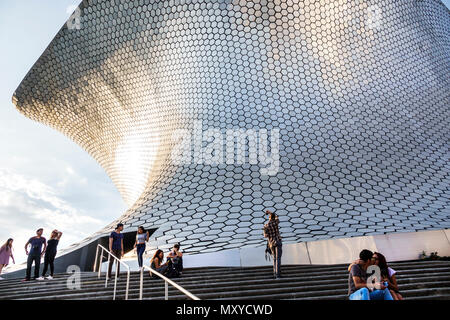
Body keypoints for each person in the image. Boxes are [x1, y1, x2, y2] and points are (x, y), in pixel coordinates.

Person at [263, 209, 282, 279]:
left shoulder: (266, 225)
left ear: (269, 218)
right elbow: (277, 217)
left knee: (274, 258)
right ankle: (278, 275)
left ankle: (275, 273)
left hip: (271, 243)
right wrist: (270, 213)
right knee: (278, 258)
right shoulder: (275, 222)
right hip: (278, 241)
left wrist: (269, 235)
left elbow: (265, 236)